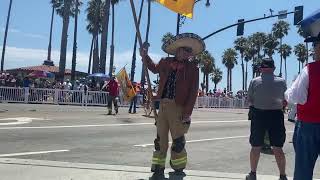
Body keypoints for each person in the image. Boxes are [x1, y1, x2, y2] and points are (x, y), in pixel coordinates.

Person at [140, 33, 203, 179]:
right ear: (178, 51)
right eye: (184, 50)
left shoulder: (193, 68)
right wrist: (145, 55)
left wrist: (187, 112)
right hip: (163, 105)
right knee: (160, 139)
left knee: (178, 140)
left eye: (189, 52)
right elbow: (153, 68)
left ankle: (178, 167)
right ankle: (158, 168)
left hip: (179, 107)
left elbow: (193, 92)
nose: (186, 54)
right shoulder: (165, 62)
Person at [285, 9, 320, 180]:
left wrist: (288, 92)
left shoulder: (310, 69)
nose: (313, 49)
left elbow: (297, 97)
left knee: (303, 170)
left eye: (315, 45)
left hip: (309, 126)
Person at [246, 58, 288, 180]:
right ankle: (282, 175)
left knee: (255, 146)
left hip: (258, 115)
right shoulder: (281, 81)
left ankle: (253, 174)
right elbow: (285, 101)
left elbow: (250, 100)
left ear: (261, 68)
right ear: (273, 68)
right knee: (278, 147)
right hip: (276, 116)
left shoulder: (254, 81)